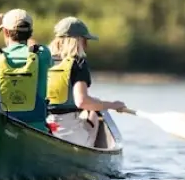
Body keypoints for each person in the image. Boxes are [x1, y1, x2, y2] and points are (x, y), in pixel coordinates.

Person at [46, 16, 127, 147]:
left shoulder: (41, 60)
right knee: (93, 114)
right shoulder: (78, 63)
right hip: (67, 132)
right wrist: (112, 105)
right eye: (85, 40)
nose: (87, 45)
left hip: (44, 127)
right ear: (78, 41)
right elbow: (82, 101)